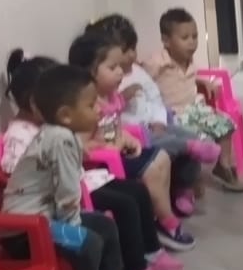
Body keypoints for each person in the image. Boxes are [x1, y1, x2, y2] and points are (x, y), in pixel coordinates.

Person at [0, 50, 185, 270]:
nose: (96, 107)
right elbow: (16, 172)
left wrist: (86, 148)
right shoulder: (19, 134)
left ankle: (150, 250)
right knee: (124, 205)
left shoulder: (54, 127)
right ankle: (135, 267)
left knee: (137, 191)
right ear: (36, 103)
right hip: (59, 199)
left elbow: (75, 153)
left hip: (79, 183)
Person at [2, 64, 144, 270]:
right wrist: (76, 228)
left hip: (45, 219)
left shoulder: (61, 135)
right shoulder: (60, 140)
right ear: (66, 114)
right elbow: (68, 193)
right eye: (91, 105)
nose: (99, 110)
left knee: (105, 226)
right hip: (24, 230)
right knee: (88, 242)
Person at [67, 33, 195, 252]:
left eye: (120, 66)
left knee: (162, 157)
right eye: (112, 67)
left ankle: (159, 215)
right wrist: (109, 148)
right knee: (151, 169)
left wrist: (127, 139)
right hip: (101, 166)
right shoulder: (87, 108)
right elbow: (82, 147)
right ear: (90, 72)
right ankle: (167, 222)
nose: (121, 72)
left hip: (118, 152)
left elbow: (115, 127)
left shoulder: (112, 97)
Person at [85, 14, 217, 212]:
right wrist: (124, 99)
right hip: (136, 134)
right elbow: (114, 119)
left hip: (156, 124)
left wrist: (159, 120)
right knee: (179, 145)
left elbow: (156, 98)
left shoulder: (138, 73)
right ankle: (189, 153)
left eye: (133, 48)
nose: (131, 55)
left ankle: (184, 187)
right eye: (125, 51)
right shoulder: (108, 84)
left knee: (188, 135)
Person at [145, 8, 243, 192]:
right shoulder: (157, 62)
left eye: (195, 36)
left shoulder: (190, 61)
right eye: (185, 38)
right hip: (173, 116)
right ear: (166, 40)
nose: (192, 42)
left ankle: (223, 165)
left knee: (226, 124)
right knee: (199, 139)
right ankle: (190, 178)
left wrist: (202, 81)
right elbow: (141, 77)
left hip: (194, 110)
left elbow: (187, 78)